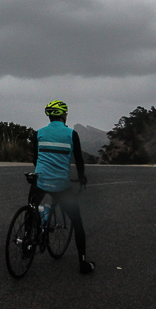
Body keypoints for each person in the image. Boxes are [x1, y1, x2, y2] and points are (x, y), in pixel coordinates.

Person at [31, 100, 95, 274]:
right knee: (77, 222)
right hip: (60, 184)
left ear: (50, 116)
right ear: (63, 115)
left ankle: (31, 236)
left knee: (31, 207)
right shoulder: (71, 134)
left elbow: (36, 159)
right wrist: (81, 177)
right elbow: (79, 160)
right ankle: (83, 263)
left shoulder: (39, 133)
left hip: (39, 180)